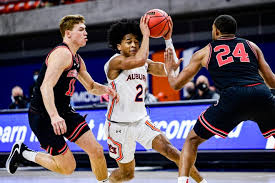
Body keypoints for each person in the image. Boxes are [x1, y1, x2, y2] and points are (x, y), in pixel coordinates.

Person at [6, 14, 119, 183]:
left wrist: (108, 91)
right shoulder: (61, 54)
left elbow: (91, 86)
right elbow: (45, 87)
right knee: (68, 167)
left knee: (95, 150)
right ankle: (23, 152)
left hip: (64, 111)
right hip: (43, 115)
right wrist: (53, 116)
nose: (85, 33)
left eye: (85, 29)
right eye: (81, 30)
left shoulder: (77, 59)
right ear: (68, 34)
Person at [164, 14, 275, 183]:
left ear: (216, 31)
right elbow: (272, 82)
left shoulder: (204, 52)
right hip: (260, 93)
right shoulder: (252, 46)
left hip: (233, 97)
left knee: (192, 140)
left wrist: (171, 70)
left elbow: (176, 85)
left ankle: (183, 181)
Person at [104, 17, 207, 183]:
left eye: (136, 41)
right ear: (118, 45)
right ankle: (106, 180)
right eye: (128, 41)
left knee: (171, 150)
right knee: (127, 174)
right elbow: (139, 59)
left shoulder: (145, 63)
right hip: (118, 126)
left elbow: (170, 68)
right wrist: (146, 35)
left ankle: (202, 182)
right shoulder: (114, 62)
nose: (133, 45)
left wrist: (168, 39)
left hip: (141, 121)